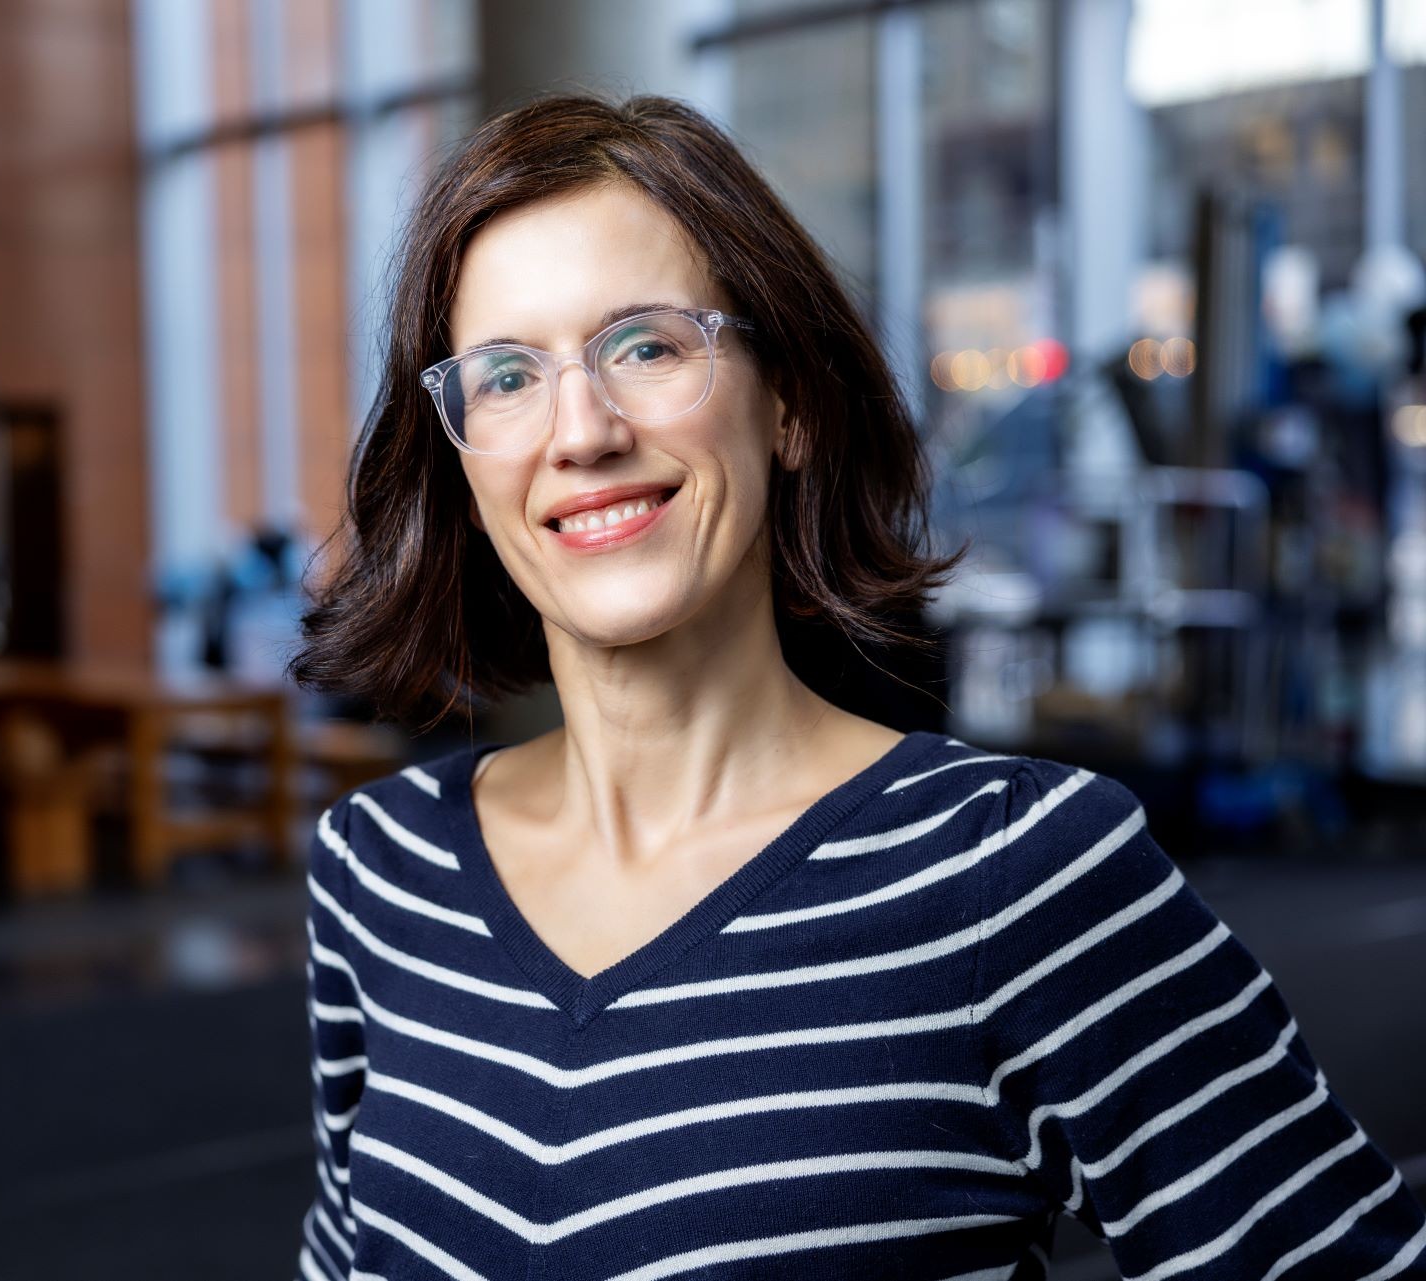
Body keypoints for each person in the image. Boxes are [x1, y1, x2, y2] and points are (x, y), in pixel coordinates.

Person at [282, 93, 1426, 1280]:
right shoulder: (383, 869)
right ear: (463, 455)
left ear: (791, 404)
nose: (582, 430)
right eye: (508, 375)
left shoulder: (1011, 873)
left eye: (647, 347)